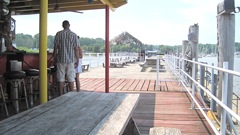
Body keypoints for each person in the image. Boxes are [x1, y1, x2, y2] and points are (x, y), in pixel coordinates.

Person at [53, 20, 79, 95]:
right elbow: (76, 49)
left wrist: (54, 58)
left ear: (62, 25)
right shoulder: (73, 35)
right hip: (70, 60)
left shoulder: (58, 34)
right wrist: (77, 60)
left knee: (61, 78)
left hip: (60, 59)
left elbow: (55, 48)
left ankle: (61, 95)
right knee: (71, 78)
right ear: (69, 25)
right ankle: (71, 95)